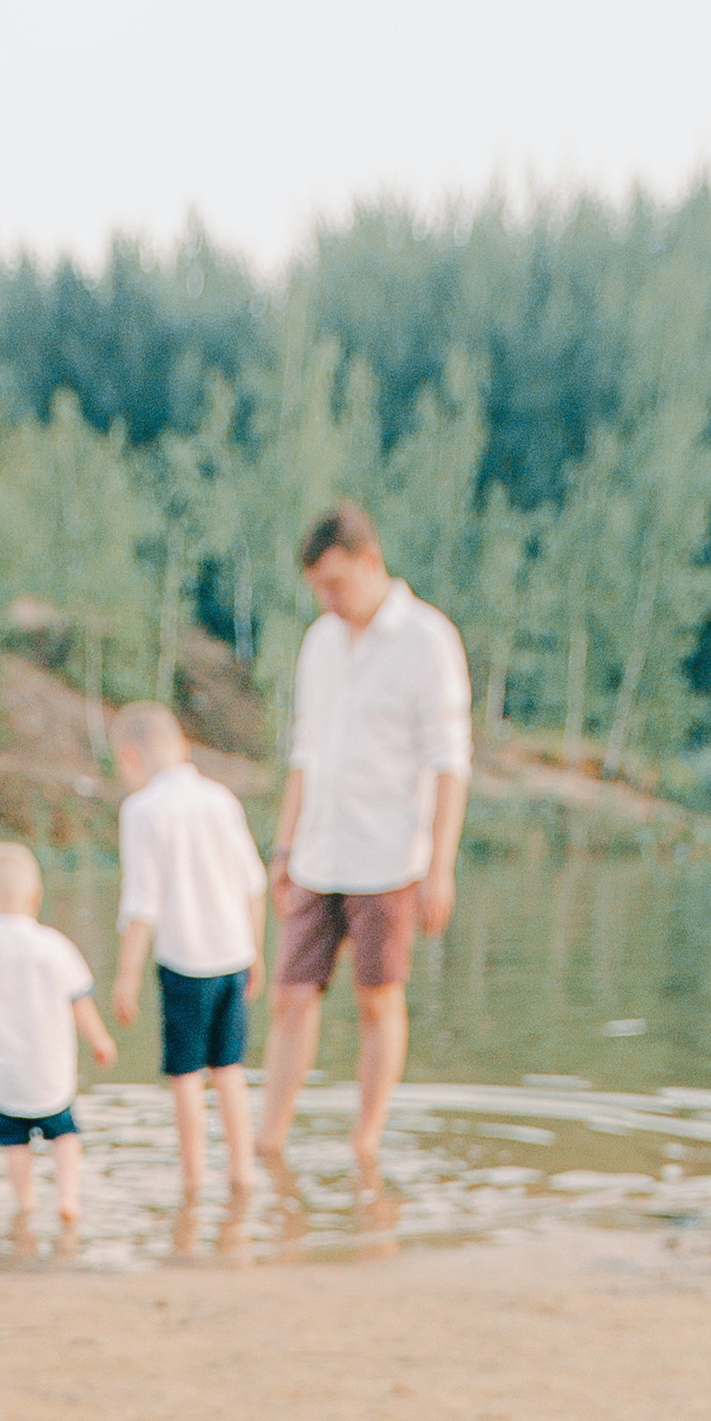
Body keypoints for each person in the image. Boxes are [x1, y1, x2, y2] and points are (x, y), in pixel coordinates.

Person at [256, 500, 472, 1180]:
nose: (327, 598)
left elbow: (449, 761)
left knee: (378, 999)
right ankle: (268, 1140)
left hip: (389, 856)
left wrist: (440, 867)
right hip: (318, 851)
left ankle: (365, 1142)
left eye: (337, 583)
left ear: (371, 562)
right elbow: (304, 752)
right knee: (290, 994)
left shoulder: (427, 640)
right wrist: (283, 849)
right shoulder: (320, 642)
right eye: (318, 586)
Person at [107, 700, 267, 1202]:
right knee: (230, 1069)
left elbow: (142, 904)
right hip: (233, 956)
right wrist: (256, 951)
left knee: (185, 1077)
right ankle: (243, 1173)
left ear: (131, 758)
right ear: (181, 746)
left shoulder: (142, 810)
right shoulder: (221, 799)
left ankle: (193, 1181)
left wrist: (127, 975)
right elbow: (253, 883)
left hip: (185, 963)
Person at [0, 841, 116, 1235]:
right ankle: (68, 1198)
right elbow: (79, 999)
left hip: (2, 1073)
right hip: (48, 1071)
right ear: (35, 897)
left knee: (14, 1142)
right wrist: (100, 1040)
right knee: (65, 1134)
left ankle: (26, 1202)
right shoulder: (54, 945)